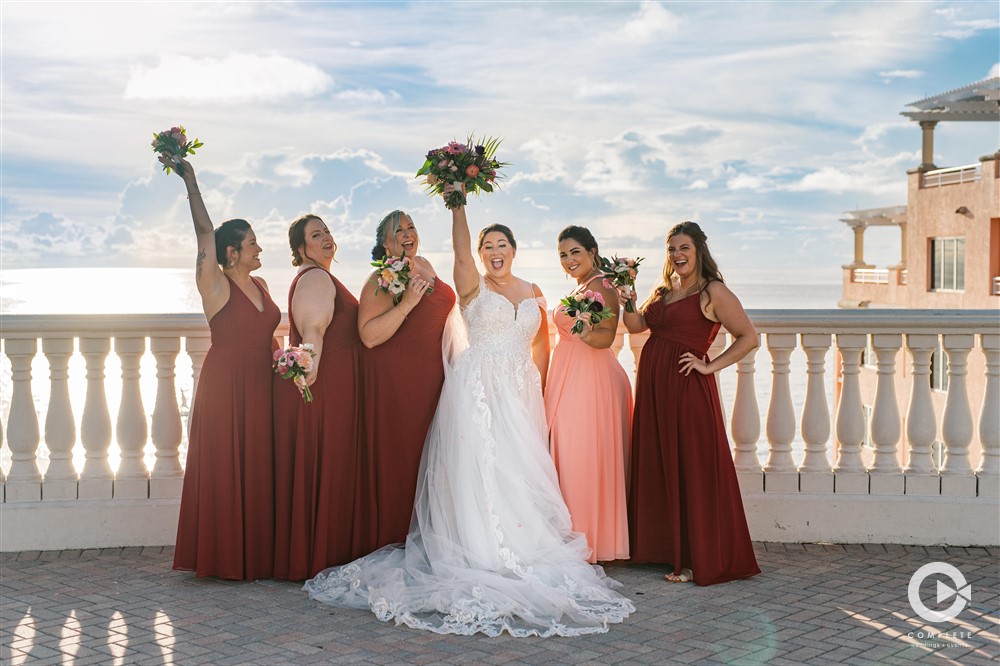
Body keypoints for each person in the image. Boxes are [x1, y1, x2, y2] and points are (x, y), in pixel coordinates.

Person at [304, 188, 635, 637]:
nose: (494, 251)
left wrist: (535, 391)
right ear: (478, 256)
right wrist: (458, 202)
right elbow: (457, 253)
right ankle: (483, 550)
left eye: (502, 244)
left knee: (518, 472)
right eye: (487, 246)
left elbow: (540, 345)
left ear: (514, 251)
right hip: (479, 388)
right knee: (482, 468)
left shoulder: (535, 291)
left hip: (520, 391)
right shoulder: (472, 286)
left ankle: (523, 544)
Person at [620, 221, 760, 586]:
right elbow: (637, 327)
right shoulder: (665, 290)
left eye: (684, 248)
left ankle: (698, 554)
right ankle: (664, 549)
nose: (677, 255)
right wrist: (629, 298)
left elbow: (749, 337)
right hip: (653, 385)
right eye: (671, 249)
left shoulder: (712, 290)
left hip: (687, 388)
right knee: (659, 460)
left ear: (698, 250)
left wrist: (709, 365)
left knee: (691, 464)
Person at [168, 158, 280, 580]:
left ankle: (259, 554)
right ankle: (226, 556)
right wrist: (192, 183)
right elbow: (203, 234)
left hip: (262, 384)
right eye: (252, 243)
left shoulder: (264, 287)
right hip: (227, 385)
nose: (259, 248)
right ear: (231, 252)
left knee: (258, 465)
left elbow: (268, 335)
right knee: (226, 466)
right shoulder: (214, 284)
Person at [356, 210, 456, 551]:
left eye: (411, 227)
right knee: (405, 459)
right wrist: (409, 302)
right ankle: (396, 537)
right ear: (385, 243)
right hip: (401, 383)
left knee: (432, 458)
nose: (407, 234)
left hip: (435, 377)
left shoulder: (424, 262)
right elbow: (368, 336)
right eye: (397, 231)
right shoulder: (381, 277)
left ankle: (429, 534)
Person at [272, 215, 365, 580]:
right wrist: (310, 368)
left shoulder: (320, 276)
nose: (326, 237)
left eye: (326, 231)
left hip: (332, 383)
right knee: (329, 462)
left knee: (330, 464)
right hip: (326, 387)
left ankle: (321, 550)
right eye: (316, 235)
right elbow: (313, 329)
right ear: (301, 249)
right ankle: (320, 554)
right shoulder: (315, 278)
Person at [544, 225, 631, 564]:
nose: (568, 260)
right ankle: (575, 535)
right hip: (569, 374)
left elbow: (606, 337)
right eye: (563, 255)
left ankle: (590, 540)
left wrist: (581, 324)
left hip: (590, 379)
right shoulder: (584, 286)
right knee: (567, 452)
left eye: (574, 252)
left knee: (581, 456)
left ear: (592, 251)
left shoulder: (604, 285)